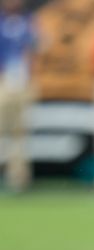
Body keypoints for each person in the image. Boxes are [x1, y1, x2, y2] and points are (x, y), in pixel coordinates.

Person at [0, 0, 36, 193]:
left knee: (19, 132)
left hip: (23, 81)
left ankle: (18, 178)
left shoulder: (28, 21)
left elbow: (35, 47)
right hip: (3, 79)